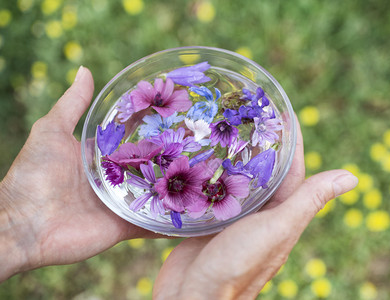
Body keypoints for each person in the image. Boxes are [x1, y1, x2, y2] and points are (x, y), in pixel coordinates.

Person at [0, 66, 358, 299]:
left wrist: (18, 221)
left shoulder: (201, 179)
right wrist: (16, 223)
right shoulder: (184, 173)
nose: (214, 188)